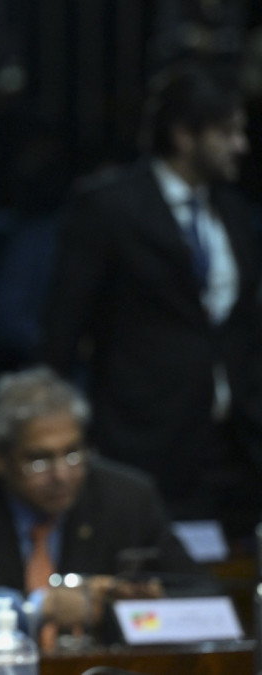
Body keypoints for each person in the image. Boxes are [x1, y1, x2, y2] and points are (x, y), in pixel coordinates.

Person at [39, 60, 262, 541]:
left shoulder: (236, 213)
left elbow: (243, 324)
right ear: (184, 135)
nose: (241, 146)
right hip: (143, 436)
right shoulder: (109, 206)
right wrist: (65, 431)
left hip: (234, 442)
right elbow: (63, 327)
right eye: (227, 132)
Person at [0, 366, 210, 650]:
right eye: (40, 460)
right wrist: (39, 608)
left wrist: (134, 607)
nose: (62, 475)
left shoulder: (129, 498)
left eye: (73, 453)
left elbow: (205, 600)